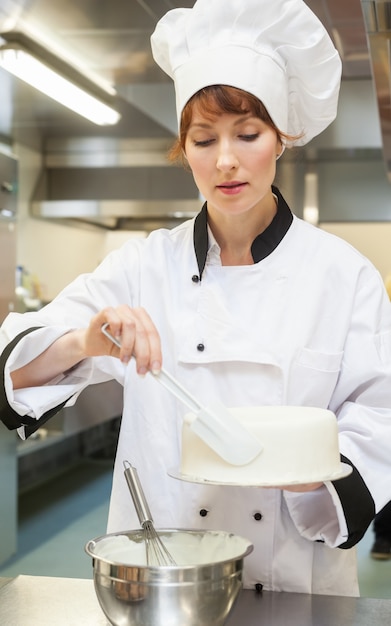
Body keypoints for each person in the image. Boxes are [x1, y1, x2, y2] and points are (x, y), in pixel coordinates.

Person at [1, 0, 391, 597]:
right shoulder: (142, 267)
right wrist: (85, 339)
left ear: (281, 139)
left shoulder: (342, 275)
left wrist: (308, 479)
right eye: (203, 139)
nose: (226, 160)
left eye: (249, 134)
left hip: (291, 578)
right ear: (183, 148)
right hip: (162, 578)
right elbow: (15, 365)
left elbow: (380, 413)